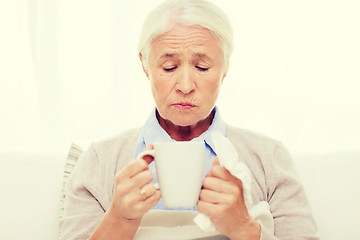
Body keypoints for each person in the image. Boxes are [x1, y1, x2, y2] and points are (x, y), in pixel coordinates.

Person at [59, 0, 318, 239]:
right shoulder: (99, 162)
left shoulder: (268, 158)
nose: (185, 85)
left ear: (225, 68)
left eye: (202, 67)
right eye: (169, 67)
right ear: (145, 65)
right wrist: (119, 219)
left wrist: (243, 227)